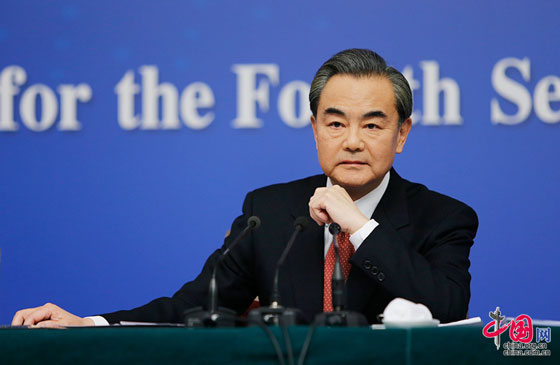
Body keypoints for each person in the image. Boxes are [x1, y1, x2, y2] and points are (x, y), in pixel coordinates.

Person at [12, 49, 478, 327]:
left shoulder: (445, 217)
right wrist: (88, 324)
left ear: (402, 135)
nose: (352, 141)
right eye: (336, 123)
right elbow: (194, 307)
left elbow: (449, 308)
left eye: (373, 125)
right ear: (315, 129)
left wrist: (358, 226)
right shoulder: (270, 211)